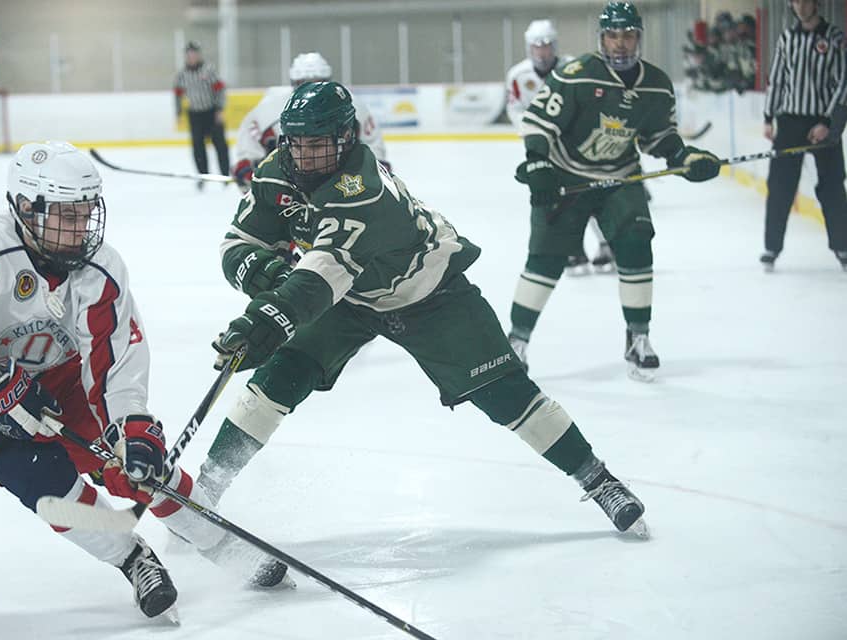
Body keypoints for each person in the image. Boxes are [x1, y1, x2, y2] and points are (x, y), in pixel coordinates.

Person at [194, 80, 649, 543]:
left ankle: (598, 480)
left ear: (346, 138)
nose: (304, 157)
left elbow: (322, 274)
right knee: (278, 377)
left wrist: (267, 319)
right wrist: (262, 272)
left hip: (428, 294)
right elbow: (238, 243)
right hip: (348, 298)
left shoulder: (362, 189)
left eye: (317, 145)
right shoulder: (276, 172)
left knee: (505, 393)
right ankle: (205, 491)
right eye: (297, 143)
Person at [0, 141, 287, 622]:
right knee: (37, 475)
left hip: (52, 382)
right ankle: (132, 557)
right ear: (25, 207)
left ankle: (222, 543)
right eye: (66, 214)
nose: (81, 228)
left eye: (86, 213)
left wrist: (131, 423)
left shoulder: (101, 267)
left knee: (140, 465)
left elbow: (116, 358)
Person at [507, 1, 721, 382]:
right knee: (545, 259)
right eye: (612, 35)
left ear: (639, 38)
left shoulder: (656, 84)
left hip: (619, 179)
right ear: (601, 38)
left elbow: (660, 138)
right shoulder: (575, 75)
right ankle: (517, 341)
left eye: (628, 35)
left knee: (637, 244)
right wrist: (538, 164)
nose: (620, 43)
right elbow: (538, 122)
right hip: (567, 178)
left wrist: (686, 157)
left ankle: (639, 338)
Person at [507, 19, 613, 275]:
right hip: (545, 149)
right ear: (529, 48)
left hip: (576, 145)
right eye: (537, 47)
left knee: (589, 194)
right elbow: (515, 109)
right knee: (560, 199)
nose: (542, 52)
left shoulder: (572, 68)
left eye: (546, 46)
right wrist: (533, 134)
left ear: (554, 46)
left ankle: (606, 244)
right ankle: (573, 249)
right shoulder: (518, 75)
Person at [761, 0, 847, 272]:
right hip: (790, 122)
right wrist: (768, 116)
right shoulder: (787, 38)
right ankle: (771, 247)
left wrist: (827, 122)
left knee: (832, 186)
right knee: (780, 186)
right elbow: (777, 80)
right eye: (795, 1)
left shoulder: (833, 37)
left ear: (816, 3)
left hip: (822, 122)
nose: (800, 6)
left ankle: (843, 246)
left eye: (805, 0)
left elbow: (842, 82)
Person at [232, 52, 389, 194]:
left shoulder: (352, 107)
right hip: (286, 188)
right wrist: (245, 166)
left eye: (318, 82)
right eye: (304, 83)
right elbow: (248, 147)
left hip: (341, 185)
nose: (310, 89)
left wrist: (377, 167)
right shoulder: (267, 110)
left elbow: (373, 146)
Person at [173, 41, 230, 190]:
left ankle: (225, 175)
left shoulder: (208, 70)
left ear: (198, 55)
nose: (192, 57)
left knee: (220, 145)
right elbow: (177, 93)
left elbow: (220, 89)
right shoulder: (182, 74)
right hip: (195, 114)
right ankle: (203, 176)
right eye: (189, 55)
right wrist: (178, 112)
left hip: (211, 112)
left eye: (194, 54)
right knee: (198, 147)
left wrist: (219, 109)